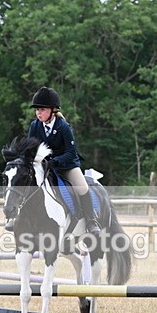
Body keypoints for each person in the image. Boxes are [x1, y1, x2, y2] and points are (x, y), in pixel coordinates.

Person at [22, 86, 100, 236]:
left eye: (42, 110)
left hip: (66, 165)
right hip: (44, 166)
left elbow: (71, 153)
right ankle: (18, 216)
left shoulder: (63, 127)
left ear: (53, 110)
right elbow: (30, 148)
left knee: (82, 187)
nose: (39, 113)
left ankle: (91, 221)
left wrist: (55, 162)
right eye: (37, 110)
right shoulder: (35, 126)